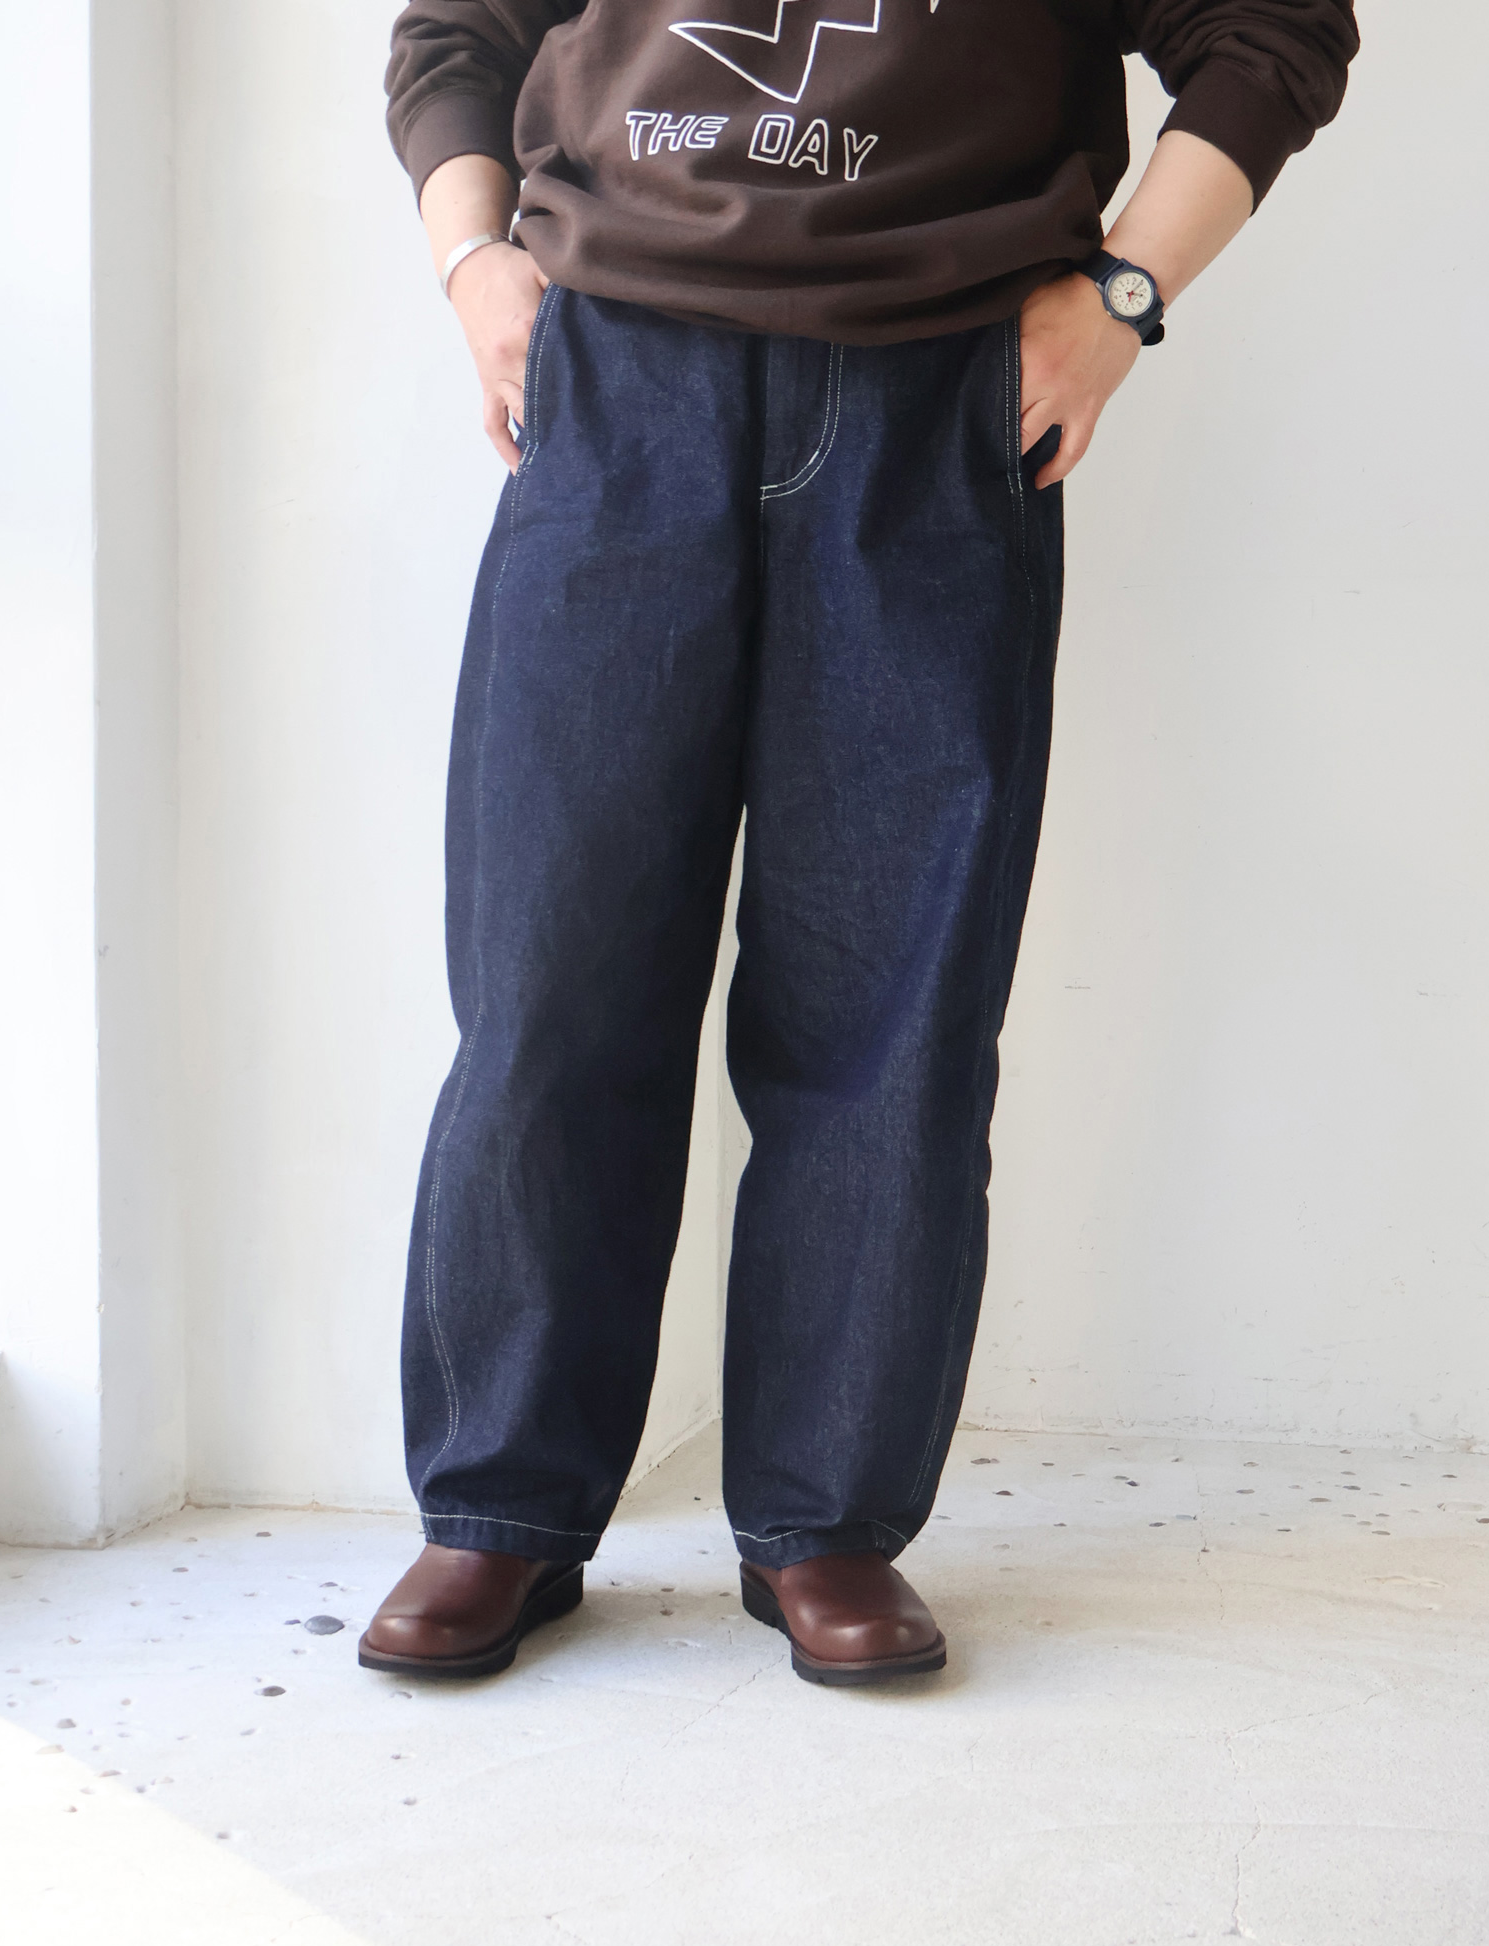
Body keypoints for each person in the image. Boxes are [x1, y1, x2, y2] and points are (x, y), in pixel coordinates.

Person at [360, 0, 1357, 1688]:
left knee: (893, 1001)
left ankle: (823, 1521)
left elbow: (1273, 33)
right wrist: (476, 269)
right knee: (551, 978)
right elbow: (459, 34)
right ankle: (502, 1504)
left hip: (935, 388)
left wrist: (1123, 298)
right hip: (617, 380)